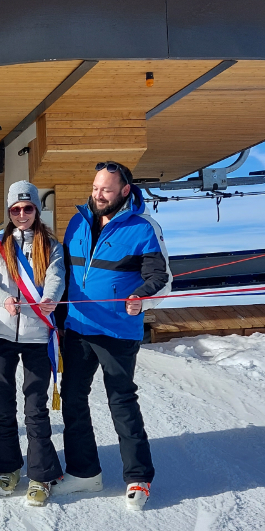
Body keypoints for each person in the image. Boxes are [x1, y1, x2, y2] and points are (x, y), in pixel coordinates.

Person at [60, 161, 171, 510]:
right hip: (77, 327)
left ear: (124, 190)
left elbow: (160, 277)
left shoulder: (142, 227)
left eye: (106, 190)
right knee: (72, 399)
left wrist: (142, 298)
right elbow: (64, 272)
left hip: (117, 330)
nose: (98, 195)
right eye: (95, 188)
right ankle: (84, 473)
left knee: (121, 401)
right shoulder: (78, 222)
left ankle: (138, 476)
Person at [0, 181, 66, 507]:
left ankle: (41, 475)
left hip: (36, 335)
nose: (21, 214)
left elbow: (56, 277)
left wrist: (50, 298)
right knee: (3, 406)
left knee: (35, 409)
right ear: (9, 211)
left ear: (36, 210)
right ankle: (8, 468)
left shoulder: (51, 245)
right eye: (15, 209)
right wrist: (3, 300)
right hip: (1, 332)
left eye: (27, 208)